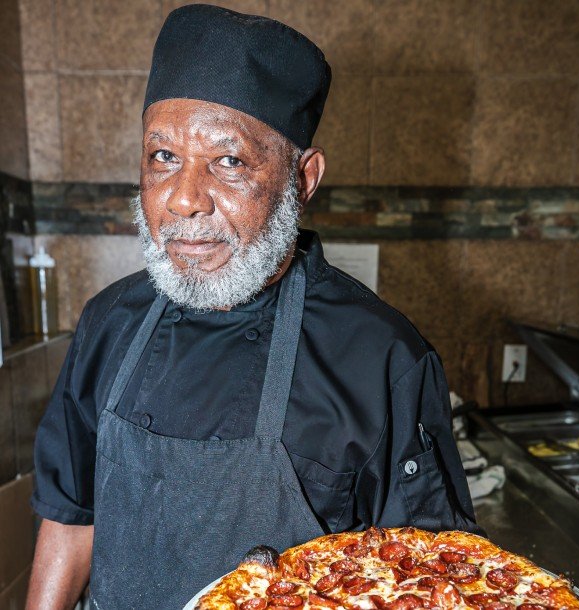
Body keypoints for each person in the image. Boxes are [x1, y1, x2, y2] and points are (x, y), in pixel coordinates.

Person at [26, 5, 482, 609]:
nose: (183, 199)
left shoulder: (383, 359)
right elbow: (70, 516)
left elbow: (433, 581)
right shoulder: (108, 322)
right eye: (163, 157)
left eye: (229, 161)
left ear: (304, 178)